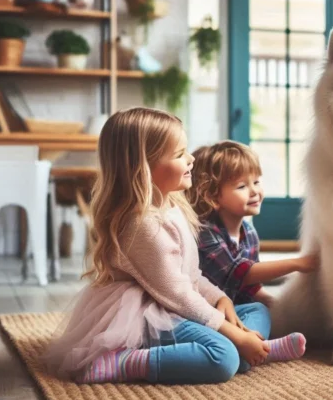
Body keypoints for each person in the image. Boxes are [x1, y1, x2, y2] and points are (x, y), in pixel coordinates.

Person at [44, 107, 305, 385]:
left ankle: (255, 347)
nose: (191, 159)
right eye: (180, 154)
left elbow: (191, 276)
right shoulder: (142, 225)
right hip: (150, 314)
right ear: (142, 167)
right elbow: (177, 294)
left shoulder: (173, 206)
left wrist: (220, 298)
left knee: (256, 310)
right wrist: (234, 334)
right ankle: (126, 362)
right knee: (222, 358)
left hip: (177, 305)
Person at [187, 141, 318, 307]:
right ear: (213, 197)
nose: (255, 191)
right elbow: (240, 274)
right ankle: (245, 333)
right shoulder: (205, 233)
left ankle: (254, 331)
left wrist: (275, 305)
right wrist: (298, 263)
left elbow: (250, 285)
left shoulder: (248, 233)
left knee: (260, 311)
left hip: (240, 307)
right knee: (255, 316)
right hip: (210, 309)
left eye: (256, 182)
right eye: (242, 186)